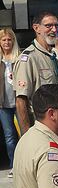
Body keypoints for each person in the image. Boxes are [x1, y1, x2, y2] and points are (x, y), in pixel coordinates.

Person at [14, 12, 58, 136]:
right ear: (36, 28)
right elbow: (21, 101)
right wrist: (27, 136)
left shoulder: (54, 56)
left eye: (56, 26)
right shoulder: (28, 58)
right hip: (41, 128)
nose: (54, 29)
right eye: (48, 26)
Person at [0, 28, 19, 177]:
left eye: (9, 39)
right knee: (9, 136)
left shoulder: (19, 58)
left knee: (25, 134)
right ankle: (14, 165)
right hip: (3, 104)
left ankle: (25, 164)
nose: (7, 42)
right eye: (3, 40)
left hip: (19, 101)